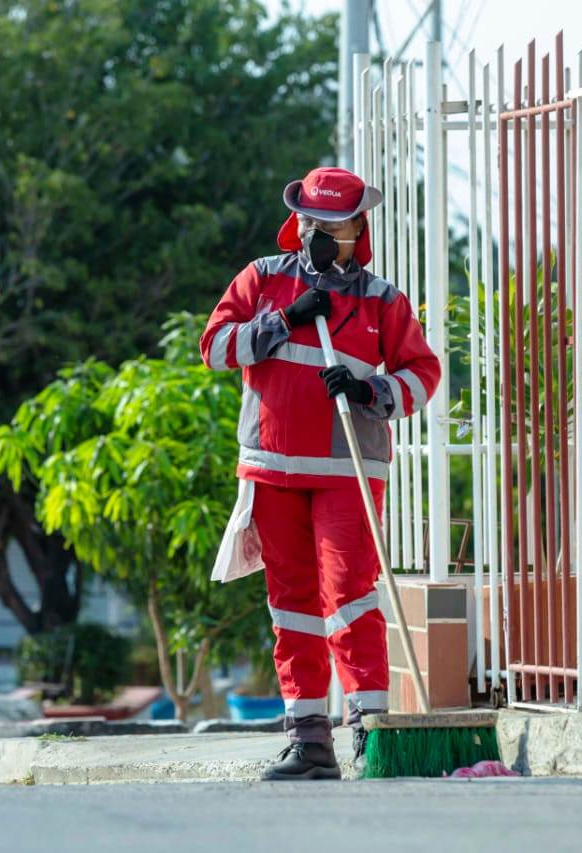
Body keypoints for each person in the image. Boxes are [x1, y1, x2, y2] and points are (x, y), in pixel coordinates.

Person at [201, 166, 440, 780]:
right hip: (273, 467)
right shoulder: (263, 279)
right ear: (297, 223)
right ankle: (308, 741)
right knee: (293, 606)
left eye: (334, 225)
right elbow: (216, 348)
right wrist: (284, 321)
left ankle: (370, 734)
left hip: (348, 469)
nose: (321, 233)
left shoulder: (383, 299)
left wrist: (370, 389)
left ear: (359, 229)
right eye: (312, 222)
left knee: (351, 594)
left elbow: (423, 374)